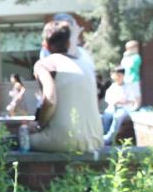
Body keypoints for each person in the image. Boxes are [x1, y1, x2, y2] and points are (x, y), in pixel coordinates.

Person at [29, 21, 103, 152]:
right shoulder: (86, 66)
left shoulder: (44, 64)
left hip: (64, 140)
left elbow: (50, 100)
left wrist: (39, 125)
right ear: (69, 43)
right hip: (96, 140)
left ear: (45, 45)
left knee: (23, 135)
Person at [102, 67, 140, 145]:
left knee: (117, 117)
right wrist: (115, 101)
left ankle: (110, 138)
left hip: (124, 108)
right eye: (117, 75)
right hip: (113, 107)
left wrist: (124, 101)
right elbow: (108, 99)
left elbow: (132, 100)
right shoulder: (112, 87)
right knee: (106, 116)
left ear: (123, 76)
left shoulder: (128, 87)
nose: (118, 77)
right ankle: (104, 135)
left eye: (120, 75)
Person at [120, 40, 142, 107]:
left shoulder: (137, 57)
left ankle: (137, 106)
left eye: (130, 48)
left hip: (134, 78)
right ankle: (131, 105)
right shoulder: (127, 57)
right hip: (126, 78)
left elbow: (131, 65)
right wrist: (125, 57)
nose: (128, 50)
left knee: (136, 93)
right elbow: (122, 65)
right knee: (128, 93)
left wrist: (127, 57)